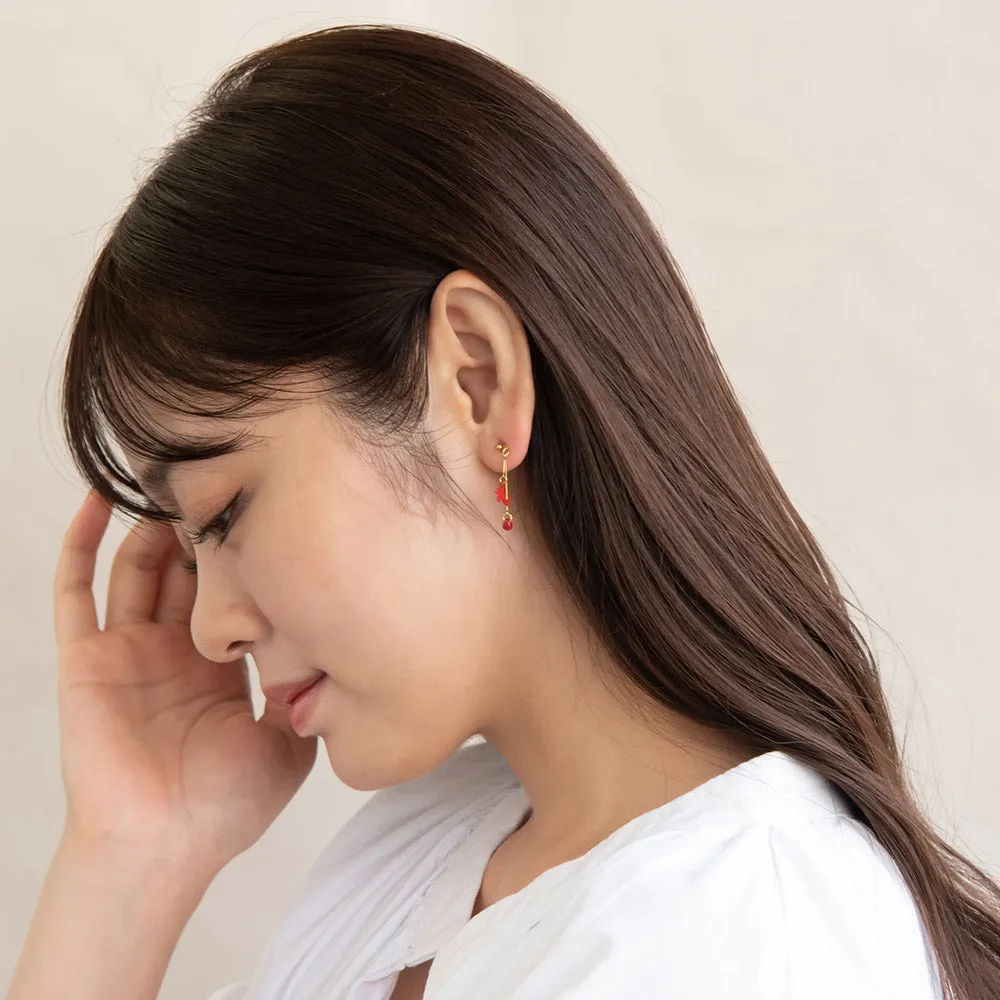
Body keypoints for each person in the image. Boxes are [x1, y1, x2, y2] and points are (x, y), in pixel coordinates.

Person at [7, 21, 998, 1000]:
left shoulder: (738, 934)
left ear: (474, 381)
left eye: (222, 514)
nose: (209, 625)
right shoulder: (437, 845)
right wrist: (133, 853)